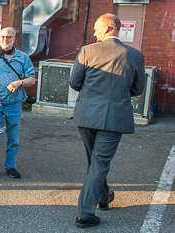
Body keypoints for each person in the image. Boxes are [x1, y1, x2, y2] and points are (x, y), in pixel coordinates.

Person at [70, 13, 145, 228]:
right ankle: (85, 214)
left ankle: (103, 198)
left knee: (95, 163)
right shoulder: (134, 55)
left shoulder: (87, 51)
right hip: (115, 116)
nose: (94, 33)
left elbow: (75, 82)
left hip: (86, 115)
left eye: (96, 29)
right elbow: (138, 89)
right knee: (99, 163)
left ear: (107, 29)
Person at [0, 27, 35, 179]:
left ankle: (10, 166)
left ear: (14, 39)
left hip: (14, 103)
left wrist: (19, 82)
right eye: (3, 36)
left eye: (9, 37)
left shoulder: (23, 57)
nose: (6, 39)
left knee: (13, 136)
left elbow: (32, 79)